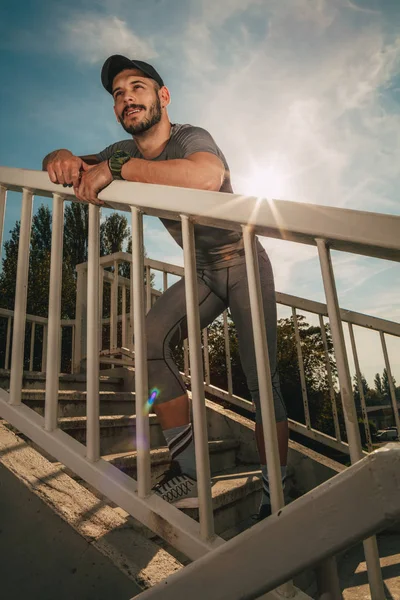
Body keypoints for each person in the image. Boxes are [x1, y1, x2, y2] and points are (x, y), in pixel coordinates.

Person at [43, 55, 288, 520]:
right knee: (150, 339)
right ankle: (189, 473)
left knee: (261, 378)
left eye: (137, 87)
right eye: (118, 93)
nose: (127, 97)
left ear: (163, 97)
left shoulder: (189, 137)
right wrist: (56, 156)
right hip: (202, 271)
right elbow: (78, 165)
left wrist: (121, 169)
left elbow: (206, 177)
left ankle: (277, 488)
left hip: (244, 262)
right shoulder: (121, 148)